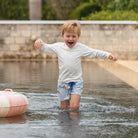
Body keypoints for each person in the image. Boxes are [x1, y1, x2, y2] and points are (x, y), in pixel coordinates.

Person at [34, 20, 117, 111]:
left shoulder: (80, 48)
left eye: (74, 36)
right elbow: (46, 47)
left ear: (78, 37)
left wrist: (107, 55)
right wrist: (39, 41)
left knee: (74, 107)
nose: (70, 39)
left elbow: (94, 53)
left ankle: (74, 124)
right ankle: (65, 125)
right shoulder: (58, 47)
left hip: (76, 82)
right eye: (68, 36)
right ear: (63, 35)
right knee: (64, 109)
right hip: (63, 83)